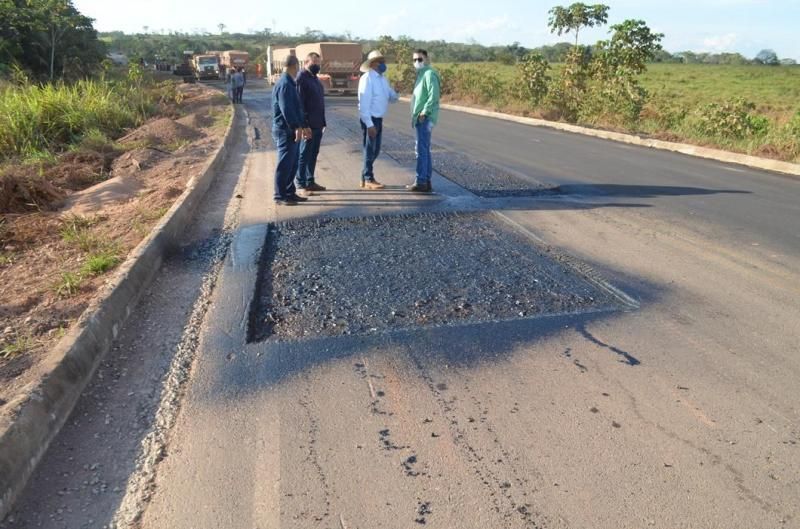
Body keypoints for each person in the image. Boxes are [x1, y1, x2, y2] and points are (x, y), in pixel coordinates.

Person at [357, 50, 399, 190]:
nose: (383, 64)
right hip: (370, 119)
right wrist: (369, 124)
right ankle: (368, 178)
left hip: (379, 119)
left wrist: (396, 91)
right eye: (381, 62)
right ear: (373, 64)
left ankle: (365, 177)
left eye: (383, 62)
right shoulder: (367, 78)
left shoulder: (383, 79)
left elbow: (392, 98)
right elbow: (363, 104)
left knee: (375, 150)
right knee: (370, 150)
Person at [271, 55, 309, 206]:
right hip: (284, 130)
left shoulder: (289, 82)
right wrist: (296, 127)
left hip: (290, 129)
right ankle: (280, 196)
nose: (299, 69)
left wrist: (303, 125)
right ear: (294, 66)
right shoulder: (285, 84)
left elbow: (296, 108)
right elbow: (286, 109)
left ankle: (289, 192)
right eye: (298, 67)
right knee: (285, 163)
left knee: (292, 163)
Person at [408, 49, 440, 193]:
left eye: (419, 59)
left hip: (425, 118)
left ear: (426, 59)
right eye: (414, 60)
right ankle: (425, 180)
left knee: (421, 150)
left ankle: (421, 181)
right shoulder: (421, 74)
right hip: (420, 117)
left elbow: (434, 96)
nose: (417, 62)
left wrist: (424, 112)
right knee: (424, 149)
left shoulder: (429, 74)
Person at [295, 52, 328, 197]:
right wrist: (304, 124)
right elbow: (300, 104)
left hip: (318, 124)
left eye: (318, 63)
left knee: (313, 154)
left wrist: (323, 122)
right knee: (304, 154)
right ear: (306, 62)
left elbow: (319, 103)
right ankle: (300, 184)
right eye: (314, 62)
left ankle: (310, 181)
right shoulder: (301, 78)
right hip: (308, 125)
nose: (317, 65)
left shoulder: (315, 79)